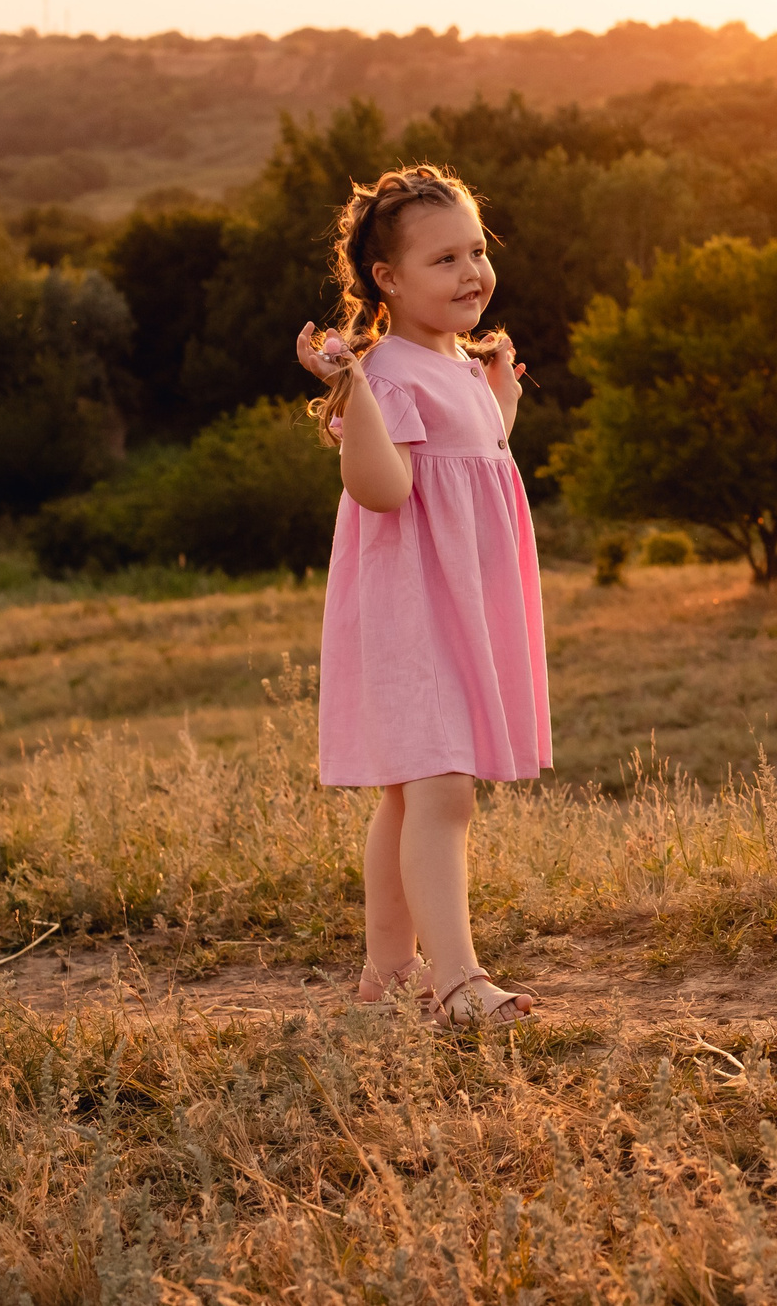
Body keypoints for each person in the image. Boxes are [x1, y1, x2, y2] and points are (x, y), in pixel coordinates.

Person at [295, 164, 551, 1025]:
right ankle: (458, 982)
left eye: (477, 251)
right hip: (413, 611)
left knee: (410, 791)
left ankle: (389, 971)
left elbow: (472, 459)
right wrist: (354, 389)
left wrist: (502, 396)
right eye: (444, 260)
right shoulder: (389, 374)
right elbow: (383, 487)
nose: (472, 272)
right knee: (443, 790)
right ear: (388, 280)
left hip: (459, 604)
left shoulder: (457, 366)